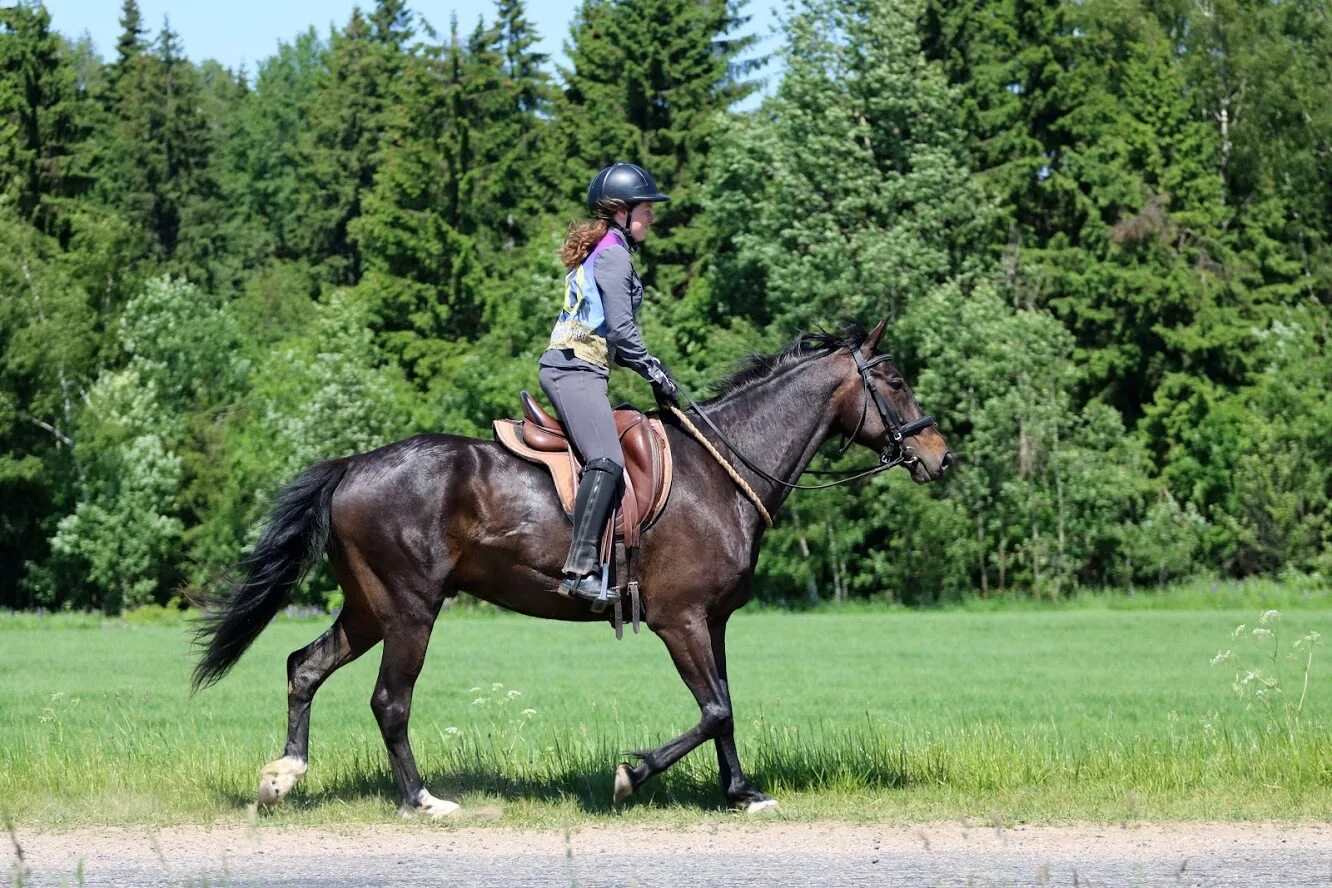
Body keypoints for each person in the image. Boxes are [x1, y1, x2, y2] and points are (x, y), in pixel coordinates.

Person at [539, 162, 678, 605]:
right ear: (621, 210)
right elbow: (620, 330)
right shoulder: (614, 253)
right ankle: (580, 570)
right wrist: (653, 368)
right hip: (573, 369)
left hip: (580, 369)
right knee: (606, 457)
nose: (651, 217)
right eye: (645, 209)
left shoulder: (605, 247)